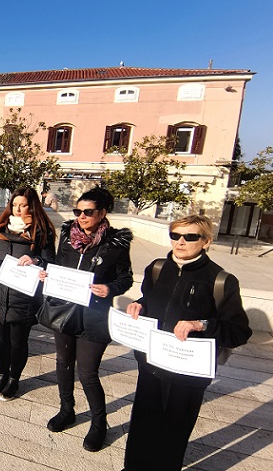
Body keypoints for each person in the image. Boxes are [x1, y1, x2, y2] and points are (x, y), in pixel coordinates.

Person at [122, 215, 251, 471]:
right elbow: (150, 300)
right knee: (143, 424)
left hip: (189, 372)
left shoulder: (221, 280)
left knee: (173, 431)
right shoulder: (157, 268)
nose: (180, 242)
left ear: (206, 241)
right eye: (175, 235)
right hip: (152, 362)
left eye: (190, 237)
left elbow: (239, 332)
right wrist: (140, 306)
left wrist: (201, 325)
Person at [40, 186, 133, 452]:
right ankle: (66, 409)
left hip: (94, 314)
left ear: (102, 213)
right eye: (78, 211)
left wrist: (111, 289)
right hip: (64, 310)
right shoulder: (68, 235)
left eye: (88, 212)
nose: (81, 216)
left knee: (88, 373)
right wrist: (48, 274)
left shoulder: (116, 243)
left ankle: (98, 423)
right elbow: (58, 263)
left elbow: (125, 277)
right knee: (63, 363)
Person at [0, 187, 56, 400]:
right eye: (14, 205)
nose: (18, 209)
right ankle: (2, 375)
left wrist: (37, 261)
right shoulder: (2, 229)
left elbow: (51, 260)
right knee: (1, 340)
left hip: (23, 298)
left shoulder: (42, 232)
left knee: (18, 342)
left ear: (32, 206)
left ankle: (14, 380)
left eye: (23, 205)